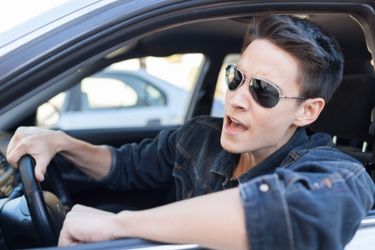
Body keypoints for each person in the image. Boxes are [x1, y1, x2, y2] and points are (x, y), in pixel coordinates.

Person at [6, 15, 374, 250]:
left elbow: (292, 213)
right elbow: (123, 165)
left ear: (307, 111)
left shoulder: (338, 172)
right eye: (236, 78)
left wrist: (117, 226)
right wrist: (60, 142)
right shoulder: (200, 137)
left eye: (263, 90)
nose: (236, 100)